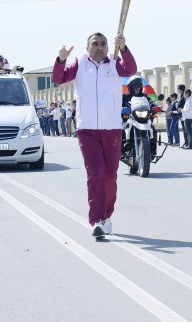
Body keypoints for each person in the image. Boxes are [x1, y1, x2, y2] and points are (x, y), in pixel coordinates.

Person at [52, 32, 136, 238]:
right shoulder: (80, 63)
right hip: (87, 129)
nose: (99, 47)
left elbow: (131, 70)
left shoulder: (115, 64)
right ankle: (96, 220)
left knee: (109, 176)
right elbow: (58, 78)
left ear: (108, 47)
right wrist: (61, 59)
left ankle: (107, 215)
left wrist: (124, 48)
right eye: (95, 44)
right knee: (96, 173)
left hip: (112, 129)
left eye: (103, 44)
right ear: (87, 47)